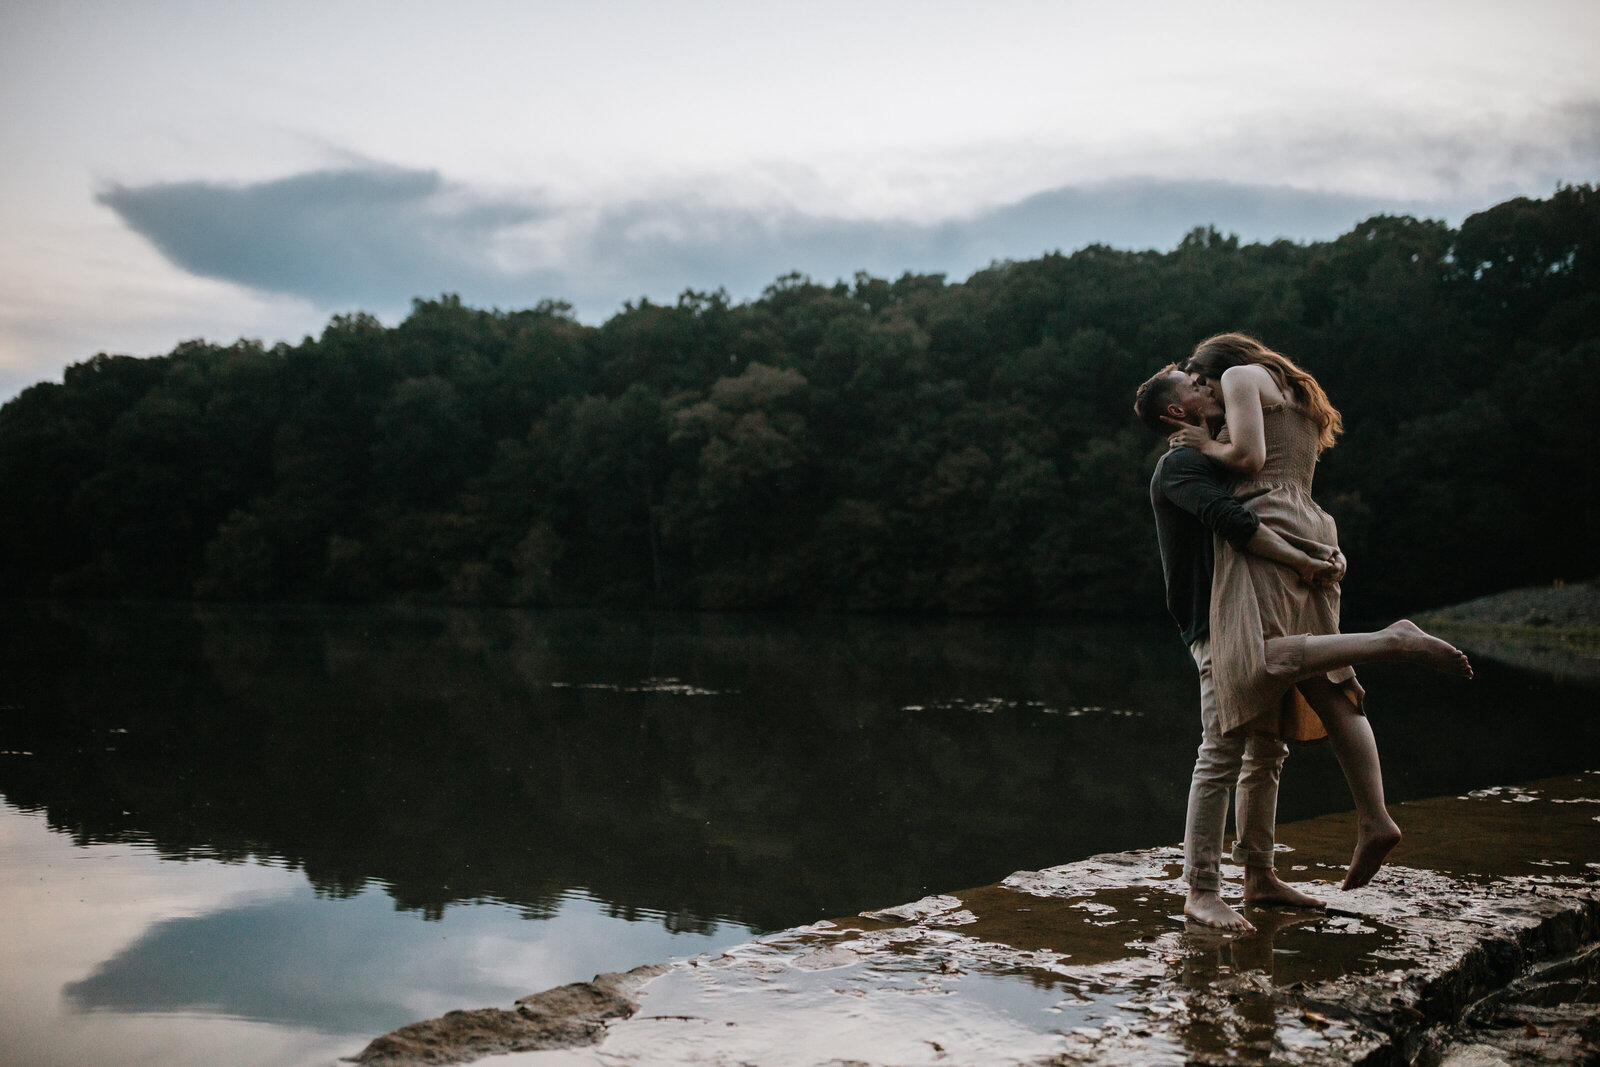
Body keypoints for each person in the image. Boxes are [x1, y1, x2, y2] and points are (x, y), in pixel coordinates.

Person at [1169, 333, 1471, 892]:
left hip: (1267, 525)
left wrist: (1204, 444)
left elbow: (1250, 459)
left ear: (1217, 372)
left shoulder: (1240, 378)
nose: (1203, 399)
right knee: (1329, 685)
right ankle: (1374, 818)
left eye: (1201, 385)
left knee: (1259, 663)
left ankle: (1392, 640)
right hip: (1311, 522)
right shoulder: (1298, 395)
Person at [1134, 364, 1331, 932]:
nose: (1209, 386)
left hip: (1249, 613)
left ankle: (1260, 876)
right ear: (1177, 412)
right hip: (1215, 623)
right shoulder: (1180, 464)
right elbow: (1234, 523)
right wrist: (1303, 561)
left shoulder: (1215, 453)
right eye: (1194, 385)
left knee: (1267, 749)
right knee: (1221, 749)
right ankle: (1200, 890)